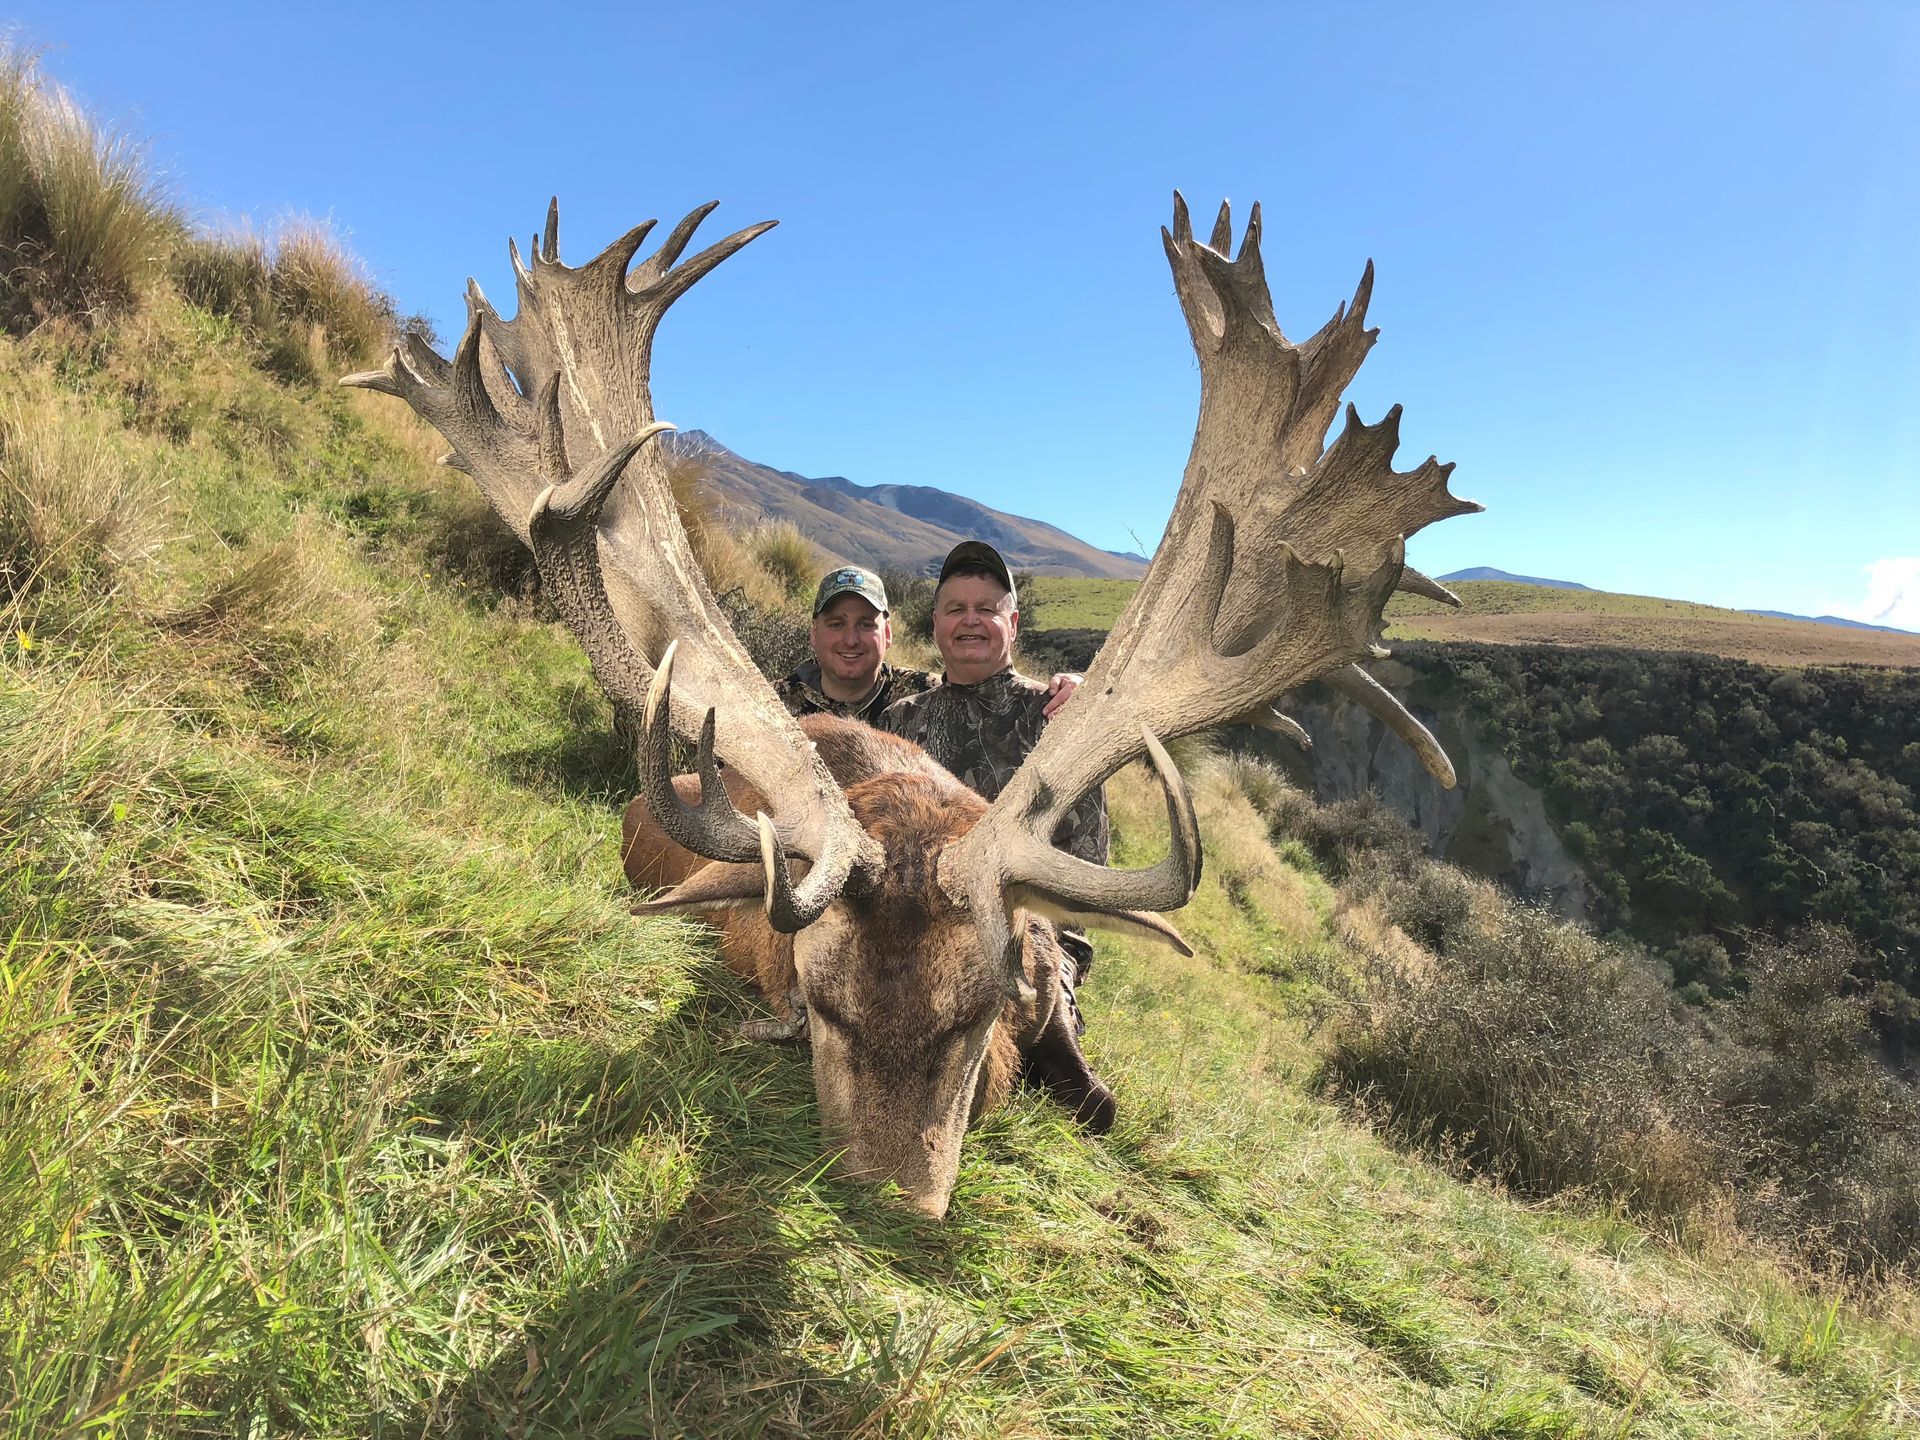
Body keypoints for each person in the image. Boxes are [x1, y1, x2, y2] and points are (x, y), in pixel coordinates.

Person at [880, 541, 1114, 1129]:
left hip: (1028, 933)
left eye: (986, 608)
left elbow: (1083, 880)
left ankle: (1050, 1045)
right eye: (955, 607)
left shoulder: (1061, 717)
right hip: (914, 918)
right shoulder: (901, 719)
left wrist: (1092, 697)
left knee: (1008, 996)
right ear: (934, 625)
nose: (969, 620)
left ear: (1012, 623)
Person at [775, 563, 1081, 726]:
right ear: (814, 632)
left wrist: (1074, 689)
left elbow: (985, 690)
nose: (851, 639)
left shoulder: (922, 698)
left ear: (889, 633)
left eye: (867, 624)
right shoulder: (768, 706)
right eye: (836, 624)